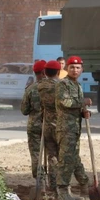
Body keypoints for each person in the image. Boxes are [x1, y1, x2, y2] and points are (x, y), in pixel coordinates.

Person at [55, 56, 92, 200]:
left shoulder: (77, 85)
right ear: (67, 69)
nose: (75, 70)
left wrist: (84, 112)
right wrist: (82, 102)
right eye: (72, 67)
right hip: (65, 129)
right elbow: (64, 102)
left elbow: (76, 107)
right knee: (66, 160)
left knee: (74, 158)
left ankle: (84, 184)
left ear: (82, 69)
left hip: (75, 128)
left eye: (78, 68)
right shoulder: (63, 84)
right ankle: (62, 190)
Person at [37, 60, 62, 192]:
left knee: (51, 155)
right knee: (62, 155)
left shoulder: (40, 86)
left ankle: (52, 183)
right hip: (60, 124)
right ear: (58, 72)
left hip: (46, 124)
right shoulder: (61, 86)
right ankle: (61, 184)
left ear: (45, 72)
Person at [20, 60, 46, 181]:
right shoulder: (57, 87)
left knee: (36, 154)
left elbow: (24, 110)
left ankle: (39, 181)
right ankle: (54, 180)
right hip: (52, 125)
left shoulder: (30, 89)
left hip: (35, 125)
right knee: (52, 154)